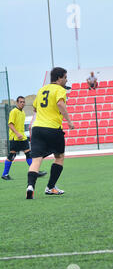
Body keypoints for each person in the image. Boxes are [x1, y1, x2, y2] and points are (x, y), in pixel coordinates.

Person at [26, 67, 75, 199]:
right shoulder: (60, 90)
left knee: (36, 160)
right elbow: (60, 104)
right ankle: (50, 187)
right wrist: (69, 121)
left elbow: (35, 108)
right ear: (59, 78)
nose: (66, 79)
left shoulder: (41, 89)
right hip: (53, 128)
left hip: (37, 129)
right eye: (65, 77)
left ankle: (30, 186)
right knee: (59, 157)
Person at [2, 96, 46, 180]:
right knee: (12, 155)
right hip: (15, 138)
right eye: (21, 102)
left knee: (28, 154)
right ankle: (5, 174)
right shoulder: (13, 111)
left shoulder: (23, 112)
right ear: (17, 103)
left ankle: (35, 171)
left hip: (22, 137)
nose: (22, 103)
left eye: (23, 102)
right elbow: (10, 124)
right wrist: (17, 133)